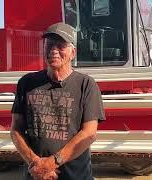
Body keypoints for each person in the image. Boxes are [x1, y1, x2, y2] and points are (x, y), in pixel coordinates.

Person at [10, 22, 105, 180]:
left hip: (76, 176)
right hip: (36, 175)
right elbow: (16, 130)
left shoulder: (86, 84)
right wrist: (35, 163)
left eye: (60, 45)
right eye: (49, 45)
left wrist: (52, 163)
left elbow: (89, 133)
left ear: (72, 52)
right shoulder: (26, 83)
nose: (53, 50)